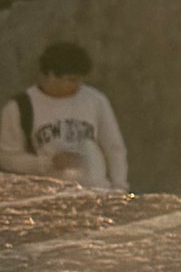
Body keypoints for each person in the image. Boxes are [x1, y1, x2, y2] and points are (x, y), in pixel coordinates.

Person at [0, 43, 130, 190]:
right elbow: (7, 157)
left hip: (97, 190)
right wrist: (48, 163)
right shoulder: (20, 108)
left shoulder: (95, 100)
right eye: (71, 80)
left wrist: (120, 186)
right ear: (50, 75)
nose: (78, 85)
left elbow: (114, 148)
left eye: (80, 80)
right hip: (49, 195)